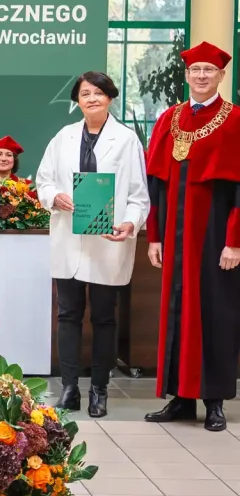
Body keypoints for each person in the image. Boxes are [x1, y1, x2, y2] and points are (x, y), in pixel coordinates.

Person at [35, 72, 150, 418]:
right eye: (85, 93)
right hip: (70, 239)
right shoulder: (63, 137)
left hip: (107, 241)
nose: (92, 98)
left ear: (111, 98)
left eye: (99, 93)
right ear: (78, 100)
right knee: (68, 315)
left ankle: (99, 389)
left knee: (103, 318)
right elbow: (44, 181)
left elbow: (138, 195)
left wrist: (130, 223)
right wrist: (54, 196)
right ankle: (69, 389)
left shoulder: (126, 140)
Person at [143, 41, 240, 432]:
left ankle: (213, 401)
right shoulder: (169, 119)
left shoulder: (234, 120)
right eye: (195, 70)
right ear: (186, 75)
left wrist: (234, 240)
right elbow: (156, 184)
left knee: (215, 313)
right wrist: (154, 237)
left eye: (208, 70)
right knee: (176, 311)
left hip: (215, 236)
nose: (201, 76)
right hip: (173, 234)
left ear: (220, 75)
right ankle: (181, 398)